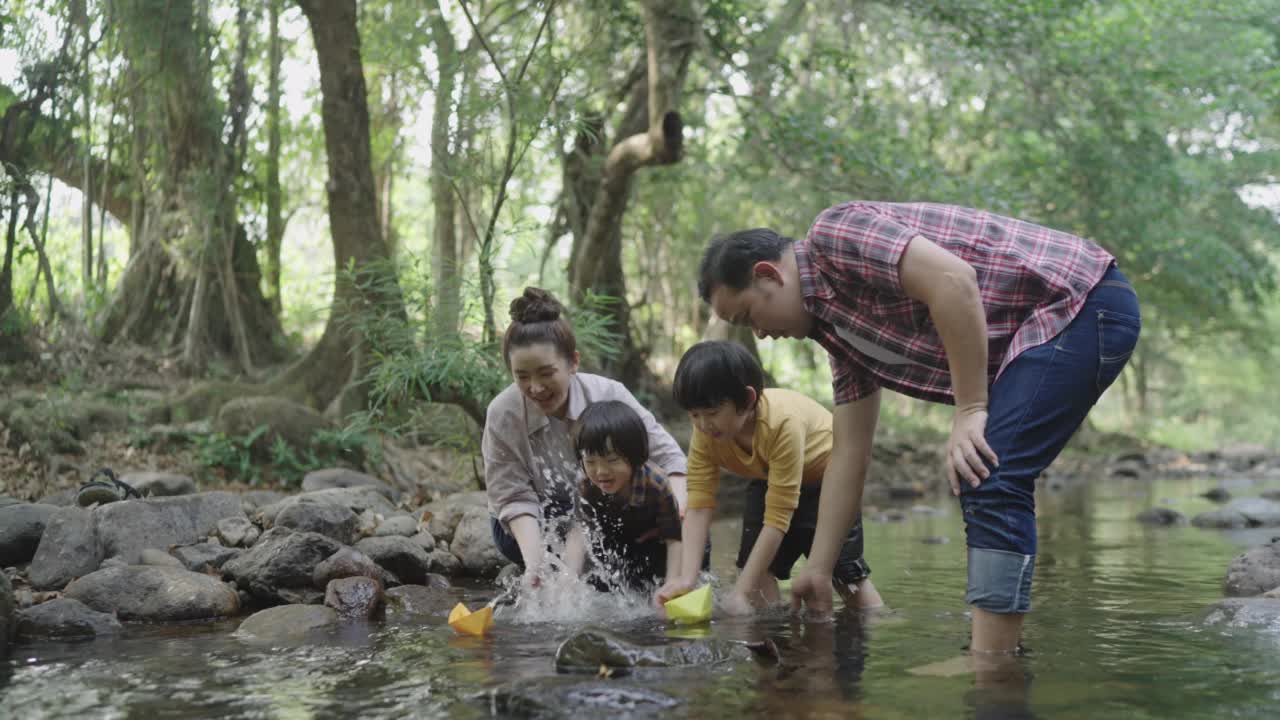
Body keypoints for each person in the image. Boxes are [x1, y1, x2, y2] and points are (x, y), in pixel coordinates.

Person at [697, 201, 1140, 653]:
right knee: (989, 473)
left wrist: (970, 409)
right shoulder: (842, 337)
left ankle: (992, 663)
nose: (760, 334)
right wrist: (820, 568)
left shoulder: (834, 235)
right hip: (1054, 324)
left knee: (989, 471)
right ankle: (998, 653)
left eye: (748, 316)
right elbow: (849, 452)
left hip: (1080, 301)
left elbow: (952, 280)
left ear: (769, 275)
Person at [654, 340, 883, 615]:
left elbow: (777, 518)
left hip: (827, 481)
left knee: (847, 578)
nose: (703, 424)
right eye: (694, 415)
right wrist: (686, 580)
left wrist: (739, 590)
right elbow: (699, 505)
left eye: (712, 413)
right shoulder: (706, 435)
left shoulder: (782, 424)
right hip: (768, 479)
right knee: (757, 579)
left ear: (748, 400)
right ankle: (775, 634)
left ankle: (877, 624)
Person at [483, 287, 688, 587]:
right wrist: (535, 564)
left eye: (546, 373)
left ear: (573, 362)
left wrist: (677, 514)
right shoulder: (503, 413)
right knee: (560, 559)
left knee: (682, 531)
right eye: (522, 377)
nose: (536, 388)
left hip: (604, 507)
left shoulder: (608, 394)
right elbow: (513, 497)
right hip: (530, 522)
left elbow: (670, 459)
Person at [563, 401, 684, 592]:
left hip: (655, 542)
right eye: (591, 461)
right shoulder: (586, 485)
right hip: (619, 541)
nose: (601, 471)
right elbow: (580, 533)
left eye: (612, 460)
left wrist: (672, 585)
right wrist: (568, 580)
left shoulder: (655, 483)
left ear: (636, 456)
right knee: (599, 580)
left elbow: (675, 538)